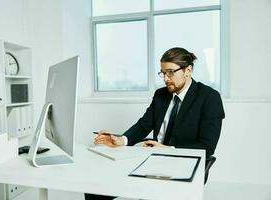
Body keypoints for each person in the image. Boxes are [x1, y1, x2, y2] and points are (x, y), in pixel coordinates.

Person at [85, 47, 225, 200]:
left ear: (188, 70)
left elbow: (207, 146)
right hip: (152, 158)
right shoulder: (161, 94)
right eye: (163, 73)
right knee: (94, 188)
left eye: (170, 72)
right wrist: (122, 140)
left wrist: (168, 149)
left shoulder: (209, 98)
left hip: (182, 164)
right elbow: (144, 124)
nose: (165, 78)